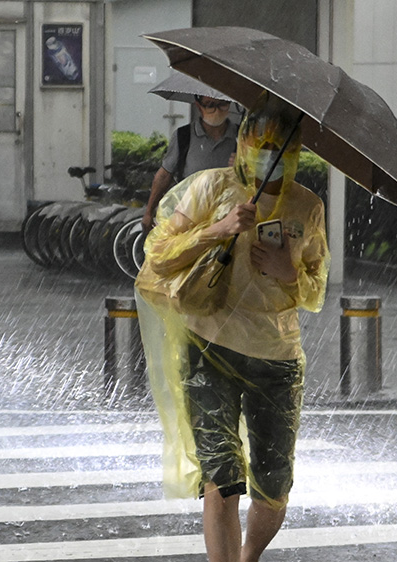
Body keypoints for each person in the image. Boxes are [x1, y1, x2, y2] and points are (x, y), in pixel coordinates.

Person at [134, 93, 329, 562]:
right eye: (259, 149)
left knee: (273, 485)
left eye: (277, 151)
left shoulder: (307, 207)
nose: (267, 161)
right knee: (221, 477)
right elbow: (157, 254)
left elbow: (317, 290)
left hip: (276, 358)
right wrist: (217, 229)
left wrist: (290, 272)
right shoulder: (208, 188)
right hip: (208, 345)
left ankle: (248, 556)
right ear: (241, 145)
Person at [140, 95, 239, 232]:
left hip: (227, 220)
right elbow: (164, 175)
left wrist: (243, 165)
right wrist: (149, 212)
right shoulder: (184, 136)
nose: (217, 110)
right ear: (199, 107)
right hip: (187, 221)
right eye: (210, 105)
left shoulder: (241, 137)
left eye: (222, 104)